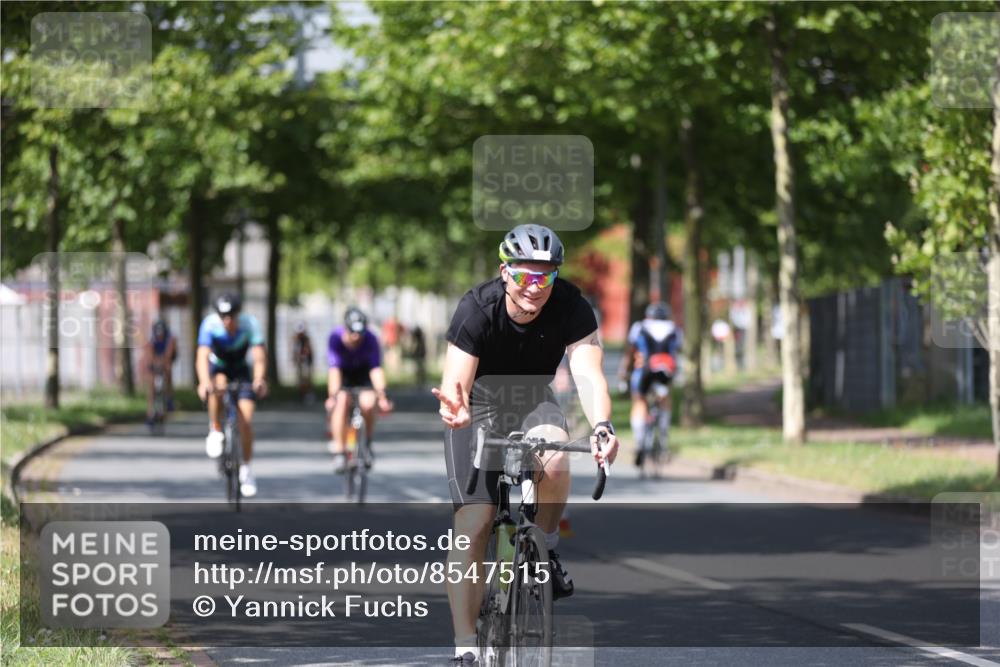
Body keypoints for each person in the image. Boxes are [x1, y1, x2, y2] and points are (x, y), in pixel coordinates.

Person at [432, 224, 619, 665]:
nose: (534, 287)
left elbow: (589, 374)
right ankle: (465, 648)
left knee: (554, 459)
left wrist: (603, 426)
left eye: (545, 277)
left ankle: (546, 547)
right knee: (475, 523)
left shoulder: (572, 307)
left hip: (533, 398)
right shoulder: (477, 309)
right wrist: (455, 410)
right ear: (504, 272)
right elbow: (455, 381)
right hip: (475, 406)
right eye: (523, 276)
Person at [196, 293, 268, 497]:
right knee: (217, 386)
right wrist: (203, 382)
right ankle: (215, 428)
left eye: (231, 315)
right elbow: (202, 356)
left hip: (241, 370)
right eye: (223, 316)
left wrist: (260, 379)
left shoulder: (250, 324)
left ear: (238, 314)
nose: (227, 320)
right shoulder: (210, 325)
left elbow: (259, 356)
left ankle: (246, 468)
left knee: (245, 420)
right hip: (218, 368)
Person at [325, 307, 393, 472]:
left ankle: (367, 443)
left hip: (364, 374)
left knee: (368, 404)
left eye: (360, 333)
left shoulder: (370, 339)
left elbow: (376, 369)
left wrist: (383, 396)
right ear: (346, 328)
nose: (356, 337)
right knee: (340, 402)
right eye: (352, 332)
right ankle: (340, 452)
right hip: (344, 374)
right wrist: (332, 397)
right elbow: (334, 371)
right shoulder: (335, 338)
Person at [619, 302, 681, 467]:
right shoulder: (674, 328)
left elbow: (630, 351)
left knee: (639, 401)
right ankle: (663, 437)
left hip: (644, 371)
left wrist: (624, 372)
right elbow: (677, 352)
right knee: (665, 399)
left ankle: (639, 442)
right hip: (665, 371)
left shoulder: (639, 326)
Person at [145, 318, 177, 427]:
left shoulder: (170, 338)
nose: (160, 336)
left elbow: (169, 353)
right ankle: (150, 413)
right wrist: (153, 363)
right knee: (151, 386)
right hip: (155, 359)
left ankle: (169, 397)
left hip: (166, 358)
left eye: (161, 334)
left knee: (168, 369)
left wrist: (165, 362)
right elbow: (149, 353)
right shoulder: (151, 339)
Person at [291, 322, 315, 404]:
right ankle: (301, 396)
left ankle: (308, 395)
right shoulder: (295, 340)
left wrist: (303, 355)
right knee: (300, 380)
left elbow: (308, 351)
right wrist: (295, 359)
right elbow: (294, 352)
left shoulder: (306, 340)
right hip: (300, 363)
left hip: (306, 362)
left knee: (307, 380)